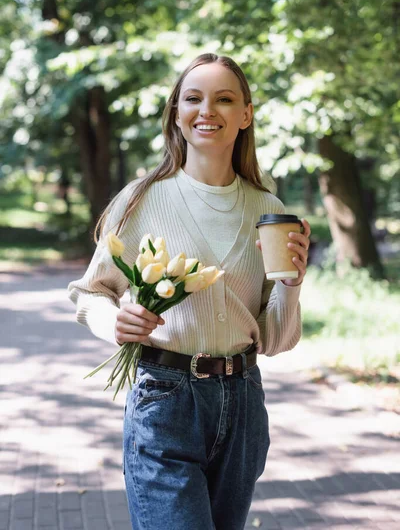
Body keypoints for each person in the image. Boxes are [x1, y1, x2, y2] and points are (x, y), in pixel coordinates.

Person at [67, 52, 311, 530]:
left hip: (243, 404)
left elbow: (276, 339)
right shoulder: (142, 199)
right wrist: (112, 321)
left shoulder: (267, 208)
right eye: (193, 98)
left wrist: (293, 285)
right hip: (166, 399)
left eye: (224, 99)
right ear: (176, 113)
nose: (207, 111)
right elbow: (89, 292)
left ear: (246, 114)